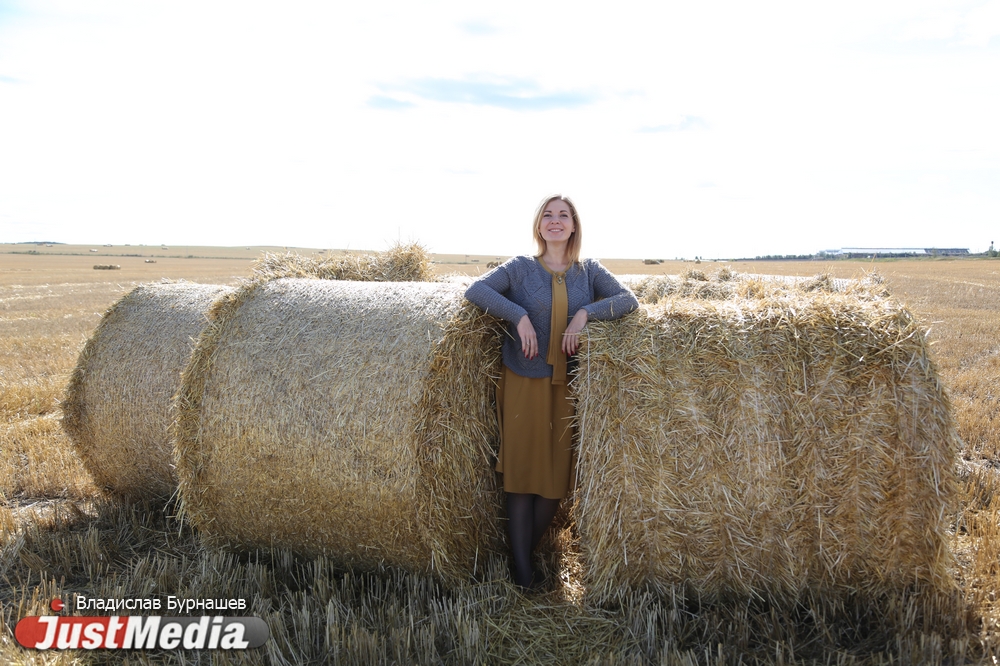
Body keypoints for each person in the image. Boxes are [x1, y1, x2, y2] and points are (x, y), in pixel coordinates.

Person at [464, 194, 639, 590]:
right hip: (523, 381)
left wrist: (584, 314)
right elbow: (477, 290)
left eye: (563, 215)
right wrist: (519, 314)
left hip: (567, 386)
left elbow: (628, 301)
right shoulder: (522, 268)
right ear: (539, 226)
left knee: (556, 481)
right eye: (548, 215)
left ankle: (521, 553)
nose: (555, 221)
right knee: (523, 477)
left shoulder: (588, 272)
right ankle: (522, 573)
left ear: (574, 225)